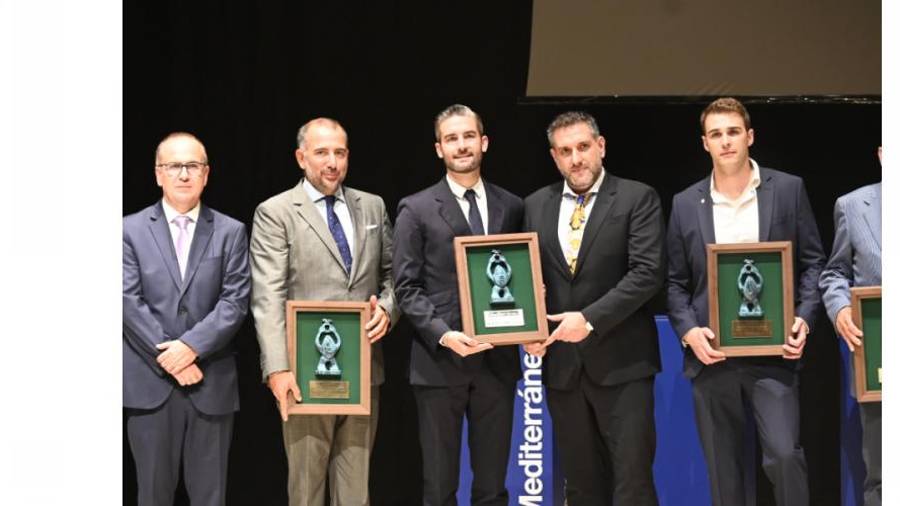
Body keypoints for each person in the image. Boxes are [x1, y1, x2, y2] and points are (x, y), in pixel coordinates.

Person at [666, 97, 826, 506]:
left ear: (750, 136)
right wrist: (688, 332)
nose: (726, 142)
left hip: (773, 354)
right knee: (725, 472)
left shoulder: (788, 189)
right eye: (716, 134)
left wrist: (804, 319)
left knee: (786, 456)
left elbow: (813, 263)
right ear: (705, 143)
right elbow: (675, 283)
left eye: (733, 132)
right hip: (713, 355)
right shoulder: (686, 203)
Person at [250, 118, 398, 506]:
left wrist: (387, 307)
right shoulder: (276, 211)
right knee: (306, 489)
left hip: (364, 368)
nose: (332, 162)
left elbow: (395, 275)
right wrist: (277, 368)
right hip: (303, 372)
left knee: (355, 490)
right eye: (321, 153)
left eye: (340, 152)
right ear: (301, 158)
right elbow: (268, 295)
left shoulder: (373, 206)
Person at [522, 111, 666, 506]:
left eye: (583, 147)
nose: (576, 159)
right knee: (582, 488)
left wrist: (588, 320)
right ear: (554, 157)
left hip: (624, 366)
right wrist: (528, 330)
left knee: (632, 485)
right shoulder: (535, 204)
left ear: (600, 147)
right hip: (563, 371)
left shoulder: (637, 197)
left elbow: (647, 274)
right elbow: (529, 279)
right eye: (565, 151)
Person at [392, 104, 523, 505]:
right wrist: (445, 335)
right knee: (439, 484)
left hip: (496, 363)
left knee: (492, 485)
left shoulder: (513, 206)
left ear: (484, 142)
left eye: (468, 136)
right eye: (451, 138)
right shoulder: (415, 208)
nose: (461, 145)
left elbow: (521, 276)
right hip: (439, 363)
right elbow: (406, 287)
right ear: (438, 149)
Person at [123, 132, 251, 506]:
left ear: (206, 174)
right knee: (152, 495)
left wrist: (191, 348)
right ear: (158, 174)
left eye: (192, 166)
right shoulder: (127, 231)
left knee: (211, 497)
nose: (183, 174)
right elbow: (127, 301)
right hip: (150, 386)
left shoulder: (230, 231)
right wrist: (172, 358)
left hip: (210, 384)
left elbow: (235, 302)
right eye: (174, 166)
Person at [819, 147, 882, 505]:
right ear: (882, 154)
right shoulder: (852, 205)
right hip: (877, 360)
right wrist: (841, 309)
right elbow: (835, 273)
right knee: (882, 474)